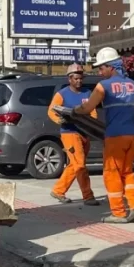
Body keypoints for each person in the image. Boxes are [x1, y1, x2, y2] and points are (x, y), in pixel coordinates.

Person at [73, 47, 134, 224]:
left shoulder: (103, 86)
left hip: (115, 136)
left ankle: (118, 212)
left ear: (111, 67)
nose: (99, 71)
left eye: (102, 67)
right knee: (127, 172)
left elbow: (88, 107)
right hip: (133, 135)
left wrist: (74, 110)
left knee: (111, 173)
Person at [47, 63, 100, 206]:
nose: (79, 81)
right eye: (76, 78)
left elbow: (92, 111)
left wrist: (92, 122)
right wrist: (60, 120)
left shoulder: (87, 93)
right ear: (69, 79)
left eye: (80, 78)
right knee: (80, 165)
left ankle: (58, 190)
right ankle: (88, 196)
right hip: (69, 133)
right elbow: (51, 111)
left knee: (75, 164)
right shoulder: (62, 94)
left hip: (84, 132)